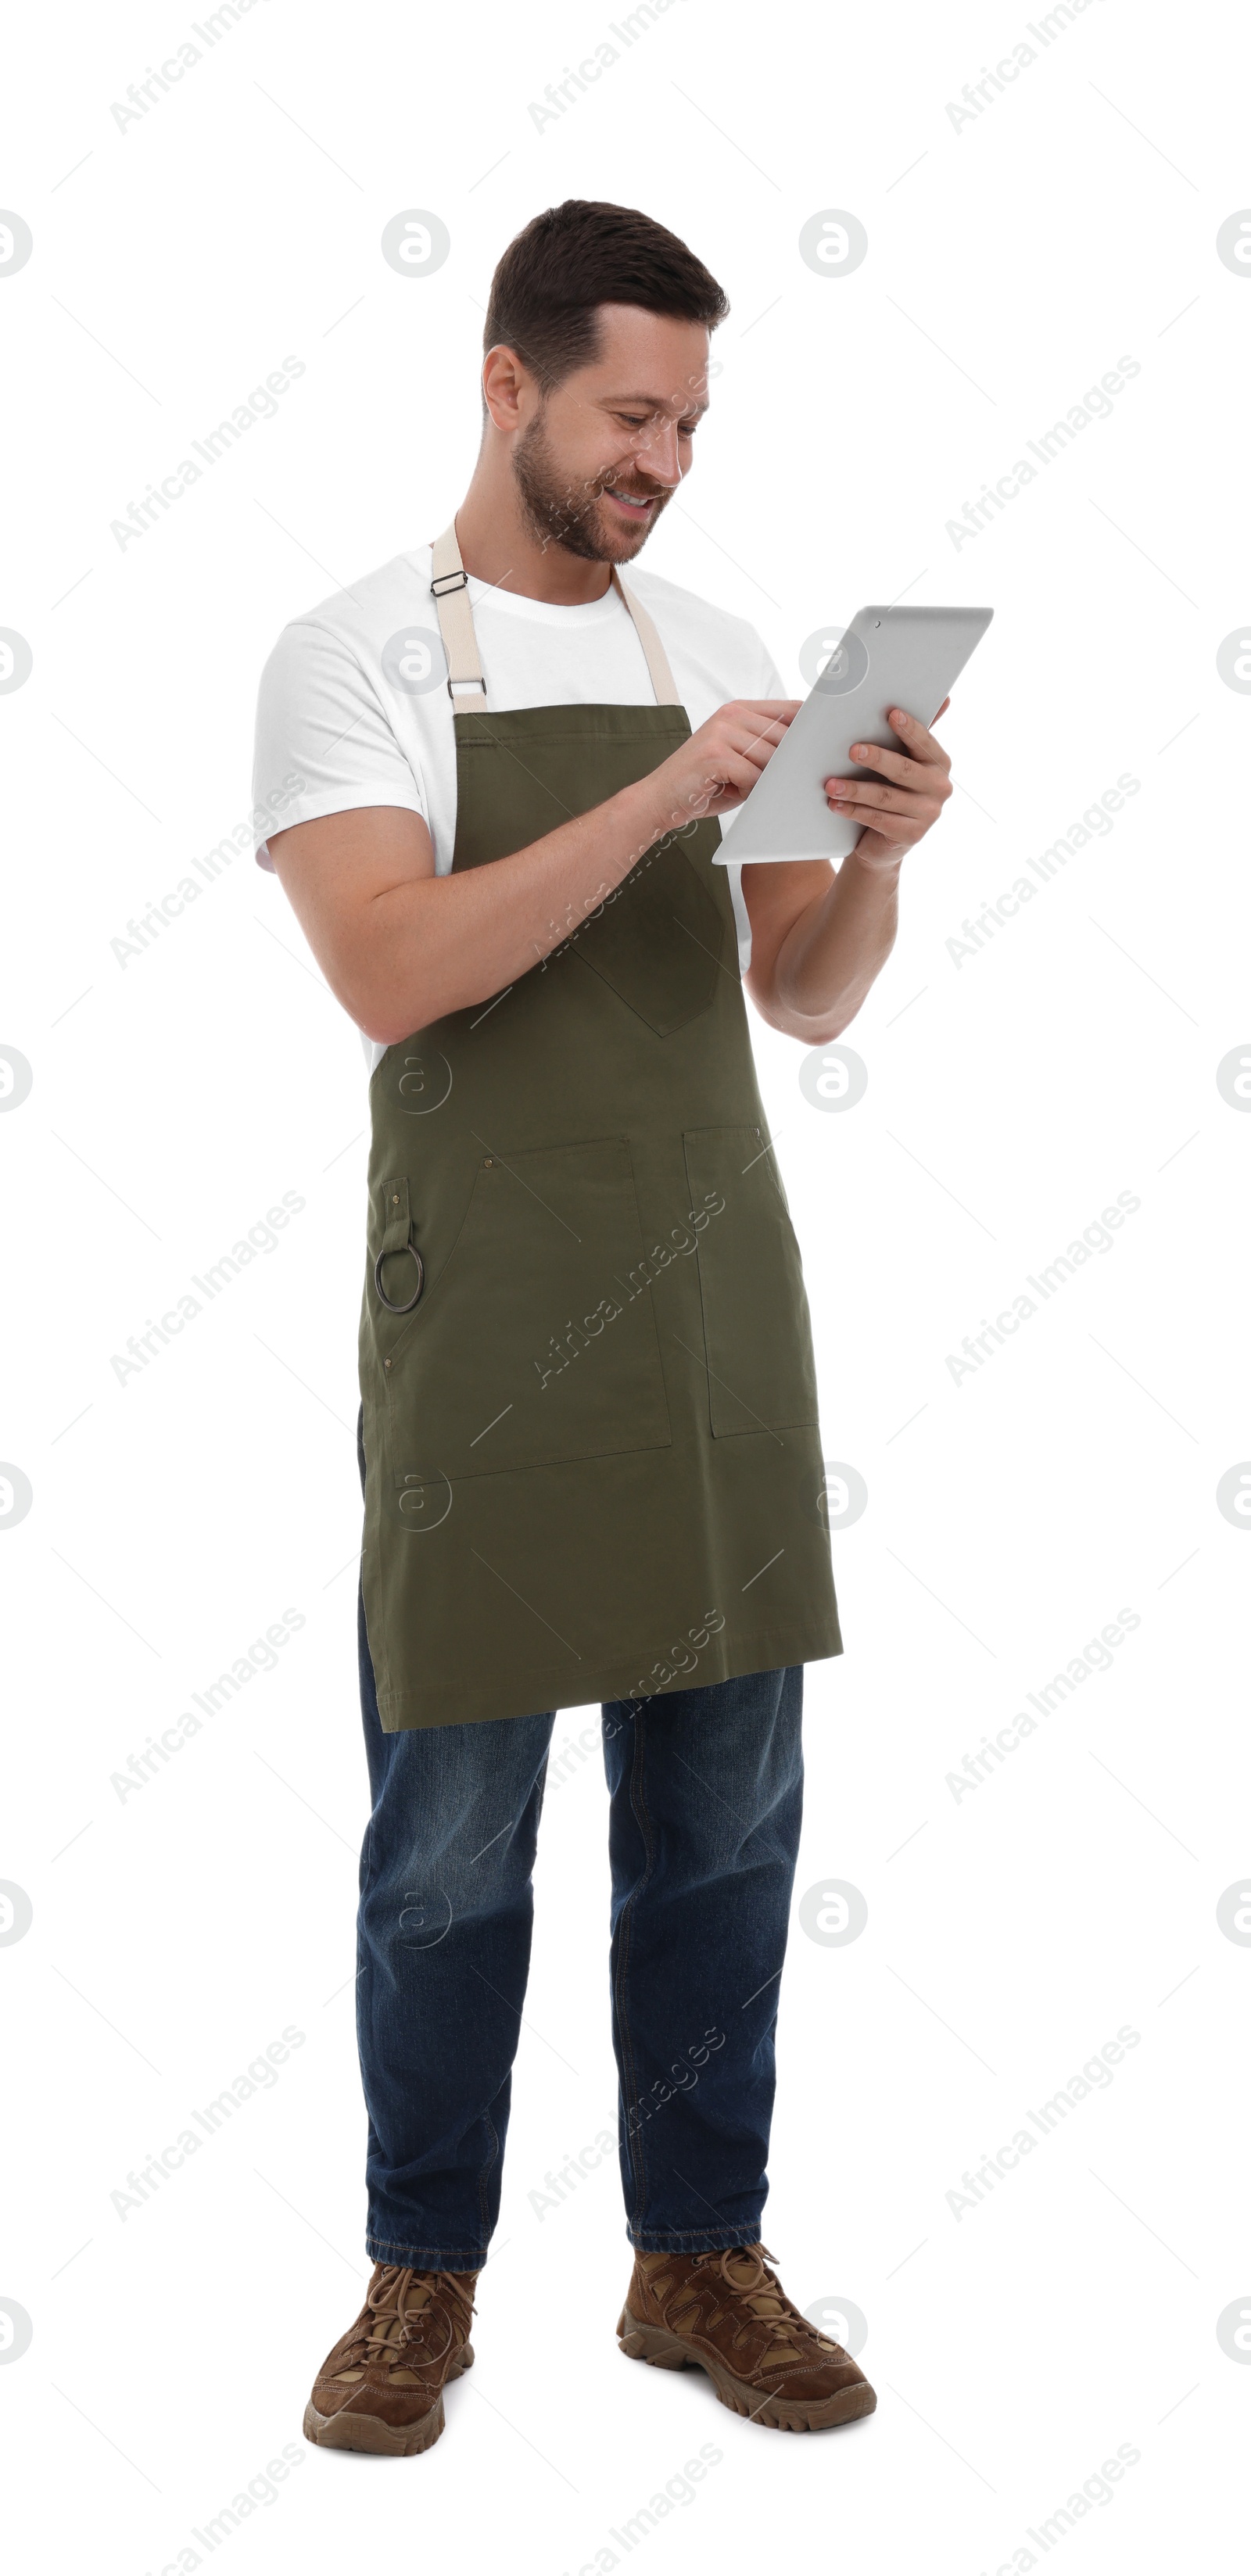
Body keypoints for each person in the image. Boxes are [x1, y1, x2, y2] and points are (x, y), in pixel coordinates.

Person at [253, 197, 952, 2456]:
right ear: (508, 384)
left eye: (691, 421)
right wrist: (665, 788)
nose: (665, 458)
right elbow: (392, 969)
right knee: (448, 1841)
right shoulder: (354, 655)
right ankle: (419, 2279)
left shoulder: (715, 632)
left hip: (716, 1306)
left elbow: (800, 994)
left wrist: (878, 851)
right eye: (631, 412)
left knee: (731, 1829)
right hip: (481, 1319)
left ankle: (698, 2255)